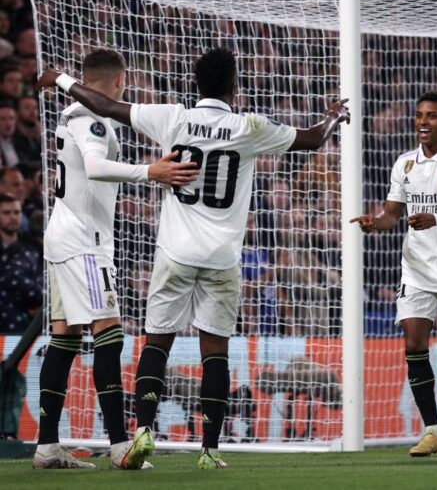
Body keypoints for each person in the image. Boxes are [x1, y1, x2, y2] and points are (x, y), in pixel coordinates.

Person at [38, 47, 349, 469]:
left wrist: (59, 79)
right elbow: (313, 138)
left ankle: (139, 433)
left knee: (157, 344)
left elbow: (106, 104)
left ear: (195, 83)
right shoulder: (249, 127)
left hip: (174, 251)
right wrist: (332, 116)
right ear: (234, 87)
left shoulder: (173, 116)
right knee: (215, 351)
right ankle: (209, 451)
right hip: (221, 256)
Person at [33, 49, 200, 470]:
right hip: (84, 243)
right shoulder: (90, 118)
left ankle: (47, 447)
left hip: (65, 235)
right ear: (120, 81)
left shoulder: (74, 113)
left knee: (65, 337)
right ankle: (119, 444)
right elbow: (93, 166)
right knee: (108, 332)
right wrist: (151, 172)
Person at [351, 91, 437, 458]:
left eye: (431, 116)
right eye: (418, 116)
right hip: (416, 269)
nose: (422, 122)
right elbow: (391, 214)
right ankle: (433, 431)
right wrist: (375, 223)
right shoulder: (405, 164)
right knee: (414, 345)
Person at [0, 193, 41, 333]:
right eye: (6, 213)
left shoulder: (32, 247)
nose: (12, 217)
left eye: (16, 212)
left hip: (26, 329)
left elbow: (40, 284)